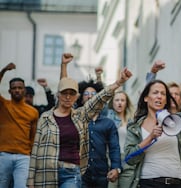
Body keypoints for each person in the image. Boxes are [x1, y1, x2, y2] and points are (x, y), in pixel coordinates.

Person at [27, 53, 132, 188]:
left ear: (76, 97)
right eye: (64, 93)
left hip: (73, 172)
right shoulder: (46, 117)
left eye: (72, 94)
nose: (68, 97)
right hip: (47, 172)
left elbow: (99, 98)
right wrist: (31, 180)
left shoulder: (80, 116)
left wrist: (119, 82)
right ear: (58, 95)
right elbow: (35, 149)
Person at [121, 69, 181, 188]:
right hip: (148, 182)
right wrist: (150, 137)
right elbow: (129, 157)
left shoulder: (177, 121)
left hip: (178, 182)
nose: (159, 96)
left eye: (163, 94)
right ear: (146, 98)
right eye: (155, 92)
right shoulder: (135, 126)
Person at [76, 79, 121, 188]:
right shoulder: (76, 120)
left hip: (101, 173)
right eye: (86, 94)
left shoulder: (108, 123)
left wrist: (116, 168)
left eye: (94, 94)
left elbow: (114, 147)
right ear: (81, 99)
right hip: (80, 173)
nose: (90, 96)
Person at [0, 62, 39, 188]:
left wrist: (32, 157)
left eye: (20, 88)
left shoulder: (33, 112)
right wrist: (3, 71)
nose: (17, 90)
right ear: (9, 91)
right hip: (4, 155)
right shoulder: (4, 105)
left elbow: (33, 137)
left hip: (24, 157)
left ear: (24, 90)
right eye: (14, 88)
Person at [107, 90, 135, 188]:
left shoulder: (132, 121)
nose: (119, 103)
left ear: (126, 103)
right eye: (117, 100)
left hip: (128, 159)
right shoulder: (108, 118)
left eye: (122, 100)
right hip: (111, 159)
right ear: (112, 102)